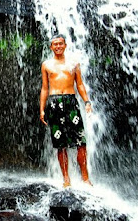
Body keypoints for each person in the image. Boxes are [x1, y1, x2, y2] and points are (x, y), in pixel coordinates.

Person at [39, 34, 92, 188]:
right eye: (55, 44)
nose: (58, 46)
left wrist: (87, 101)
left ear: (65, 45)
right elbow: (44, 88)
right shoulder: (46, 65)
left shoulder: (74, 63)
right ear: (51, 47)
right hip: (54, 103)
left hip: (71, 102)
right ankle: (66, 179)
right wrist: (42, 109)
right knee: (60, 144)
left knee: (81, 142)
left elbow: (80, 84)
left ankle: (85, 177)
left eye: (60, 44)